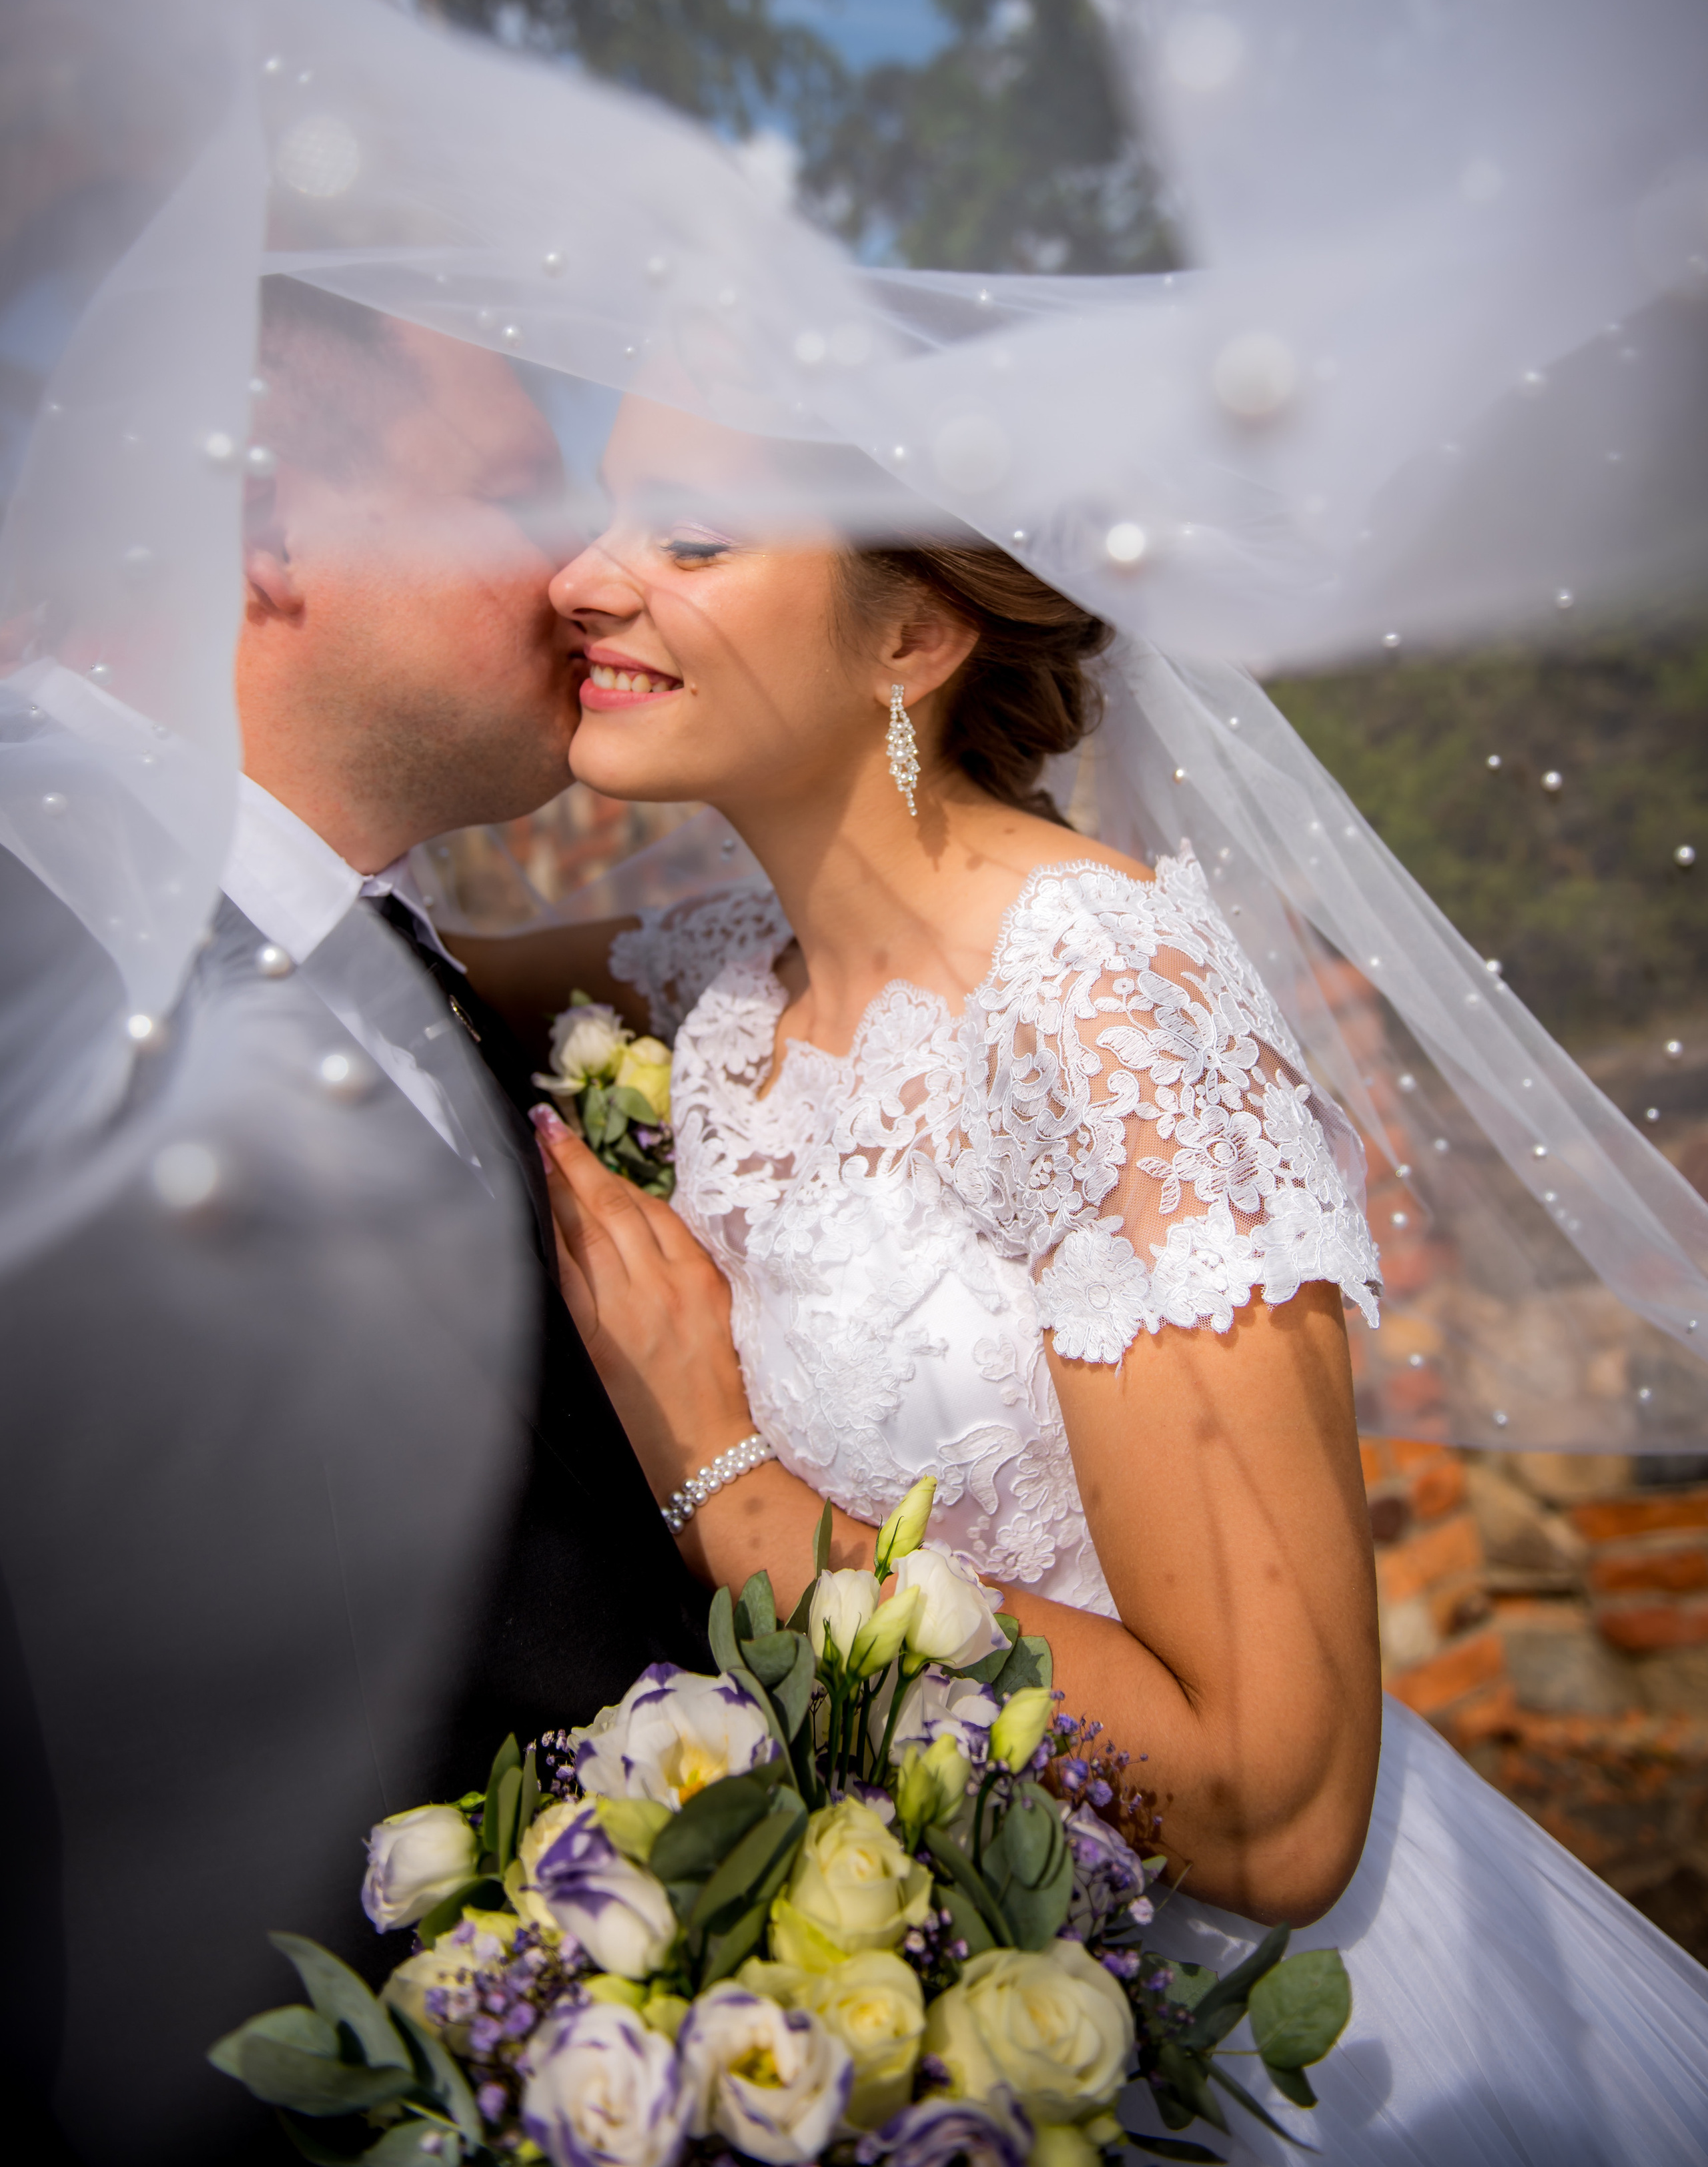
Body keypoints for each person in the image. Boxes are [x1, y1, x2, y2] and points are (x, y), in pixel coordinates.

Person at [464, 390, 1708, 2166]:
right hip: (946, 2033)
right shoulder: (724, 985)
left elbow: (1279, 1806)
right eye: (605, 516)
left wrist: (725, 1473)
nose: (583, 579)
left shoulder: (1104, 1001)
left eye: (693, 535)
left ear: (912, 633)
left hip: (1288, 2049)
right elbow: (392, 959)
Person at [0, 290, 712, 2166]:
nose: (582, 570)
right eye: (506, 499)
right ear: (272, 528)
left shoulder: (353, 940)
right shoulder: (41, 970)